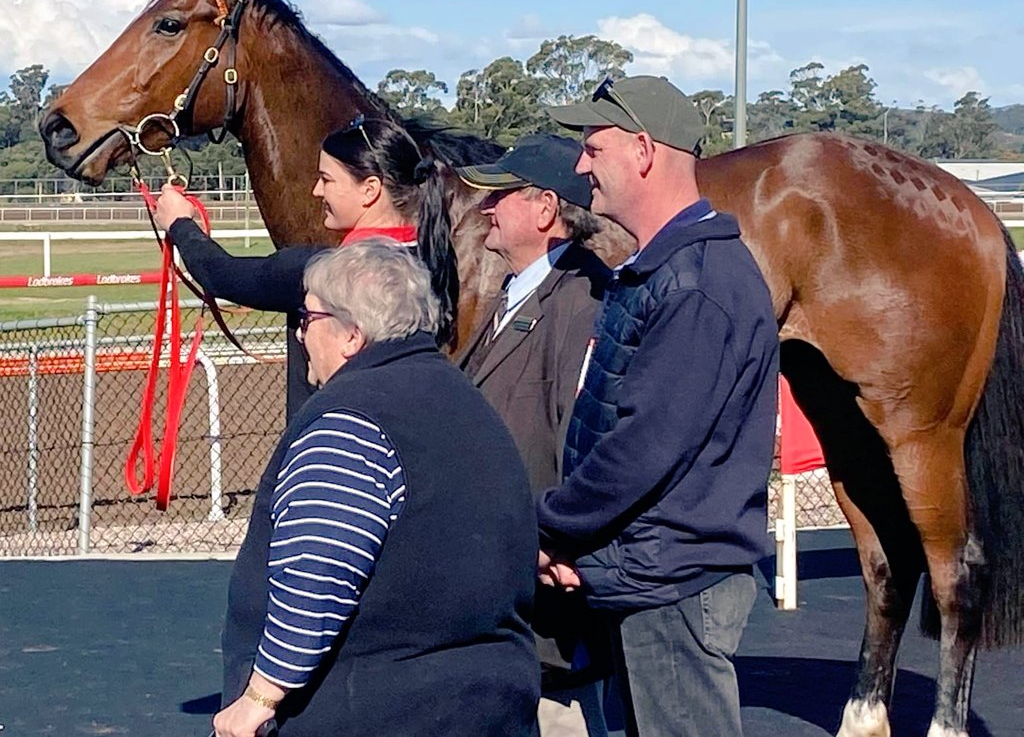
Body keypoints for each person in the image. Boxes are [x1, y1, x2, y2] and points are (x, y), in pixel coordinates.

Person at [213, 239, 540, 737]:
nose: (301, 335)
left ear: (351, 335)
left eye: (308, 318)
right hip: (489, 699)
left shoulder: (349, 420)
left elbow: (317, 573)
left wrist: (260, 696)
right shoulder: (464, 400)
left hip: (373, 707)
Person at [537, 76, 779, 737]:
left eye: (593, 148)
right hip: (651, 575)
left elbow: (643, 447)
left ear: (643, 150)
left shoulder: (697, 282)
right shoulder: (664, 270)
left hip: (675, 583)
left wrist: (552, 528)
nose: (581, 164)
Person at [455, 133, 611, 737]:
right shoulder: (515, 293)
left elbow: (577, 441)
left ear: (546, 209)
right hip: (508, 590)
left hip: (547, 603)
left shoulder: (581, 300)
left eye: (503, 196)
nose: (487, 208)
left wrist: (552, 541)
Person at [152, 115, 458, 416]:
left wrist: (180, 224)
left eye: (326, 179)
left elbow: (221, 274)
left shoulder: (320, 271)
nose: (317, 191)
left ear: (370, 189)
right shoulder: (433, 258)